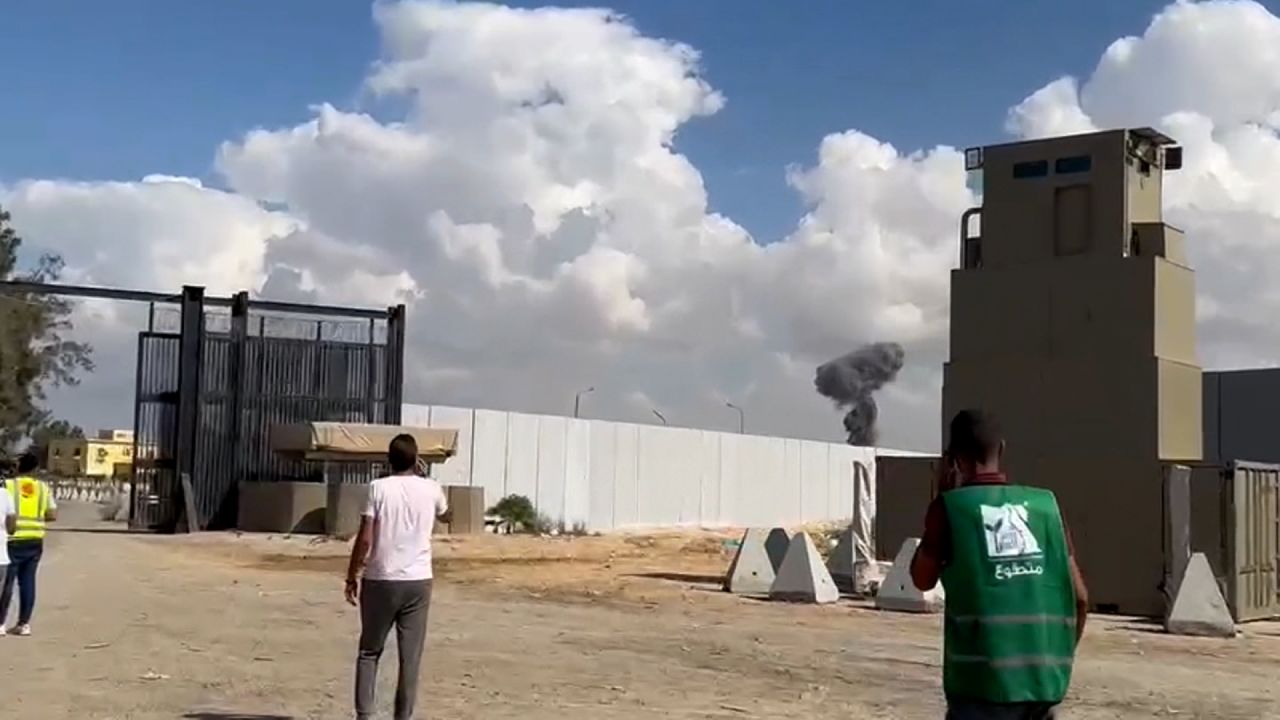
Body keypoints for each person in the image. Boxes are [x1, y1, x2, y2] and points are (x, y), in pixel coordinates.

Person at [910, 410, 1089, 720]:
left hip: (981, 687)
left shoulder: (952, 508)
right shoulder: (1047, 507)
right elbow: (1081, 599)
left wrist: (941, 498)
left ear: (952, 458)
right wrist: (1055, 660)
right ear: (1002, 449)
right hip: (1043, 685)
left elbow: (921, 579)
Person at [345, 434, 451, 720]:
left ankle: (365, 715)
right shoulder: (431, 489)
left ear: (388, 459)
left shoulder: (378, 488)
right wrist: (425, 476)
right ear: (416, 460)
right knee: (410, 658)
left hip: (380, 578)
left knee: (369, 651)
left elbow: (366, 538)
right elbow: (446, 514)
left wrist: (352, 574)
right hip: (418, 581)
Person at [1, 452, 57, 636]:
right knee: (28, 582)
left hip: (12, 539)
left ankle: (0, 623)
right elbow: (52, 515)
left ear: (18, 467)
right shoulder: (42, 488)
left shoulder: (8, 485)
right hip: (34, 540)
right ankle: (23, 624)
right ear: (35, 469)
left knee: (6, 583)